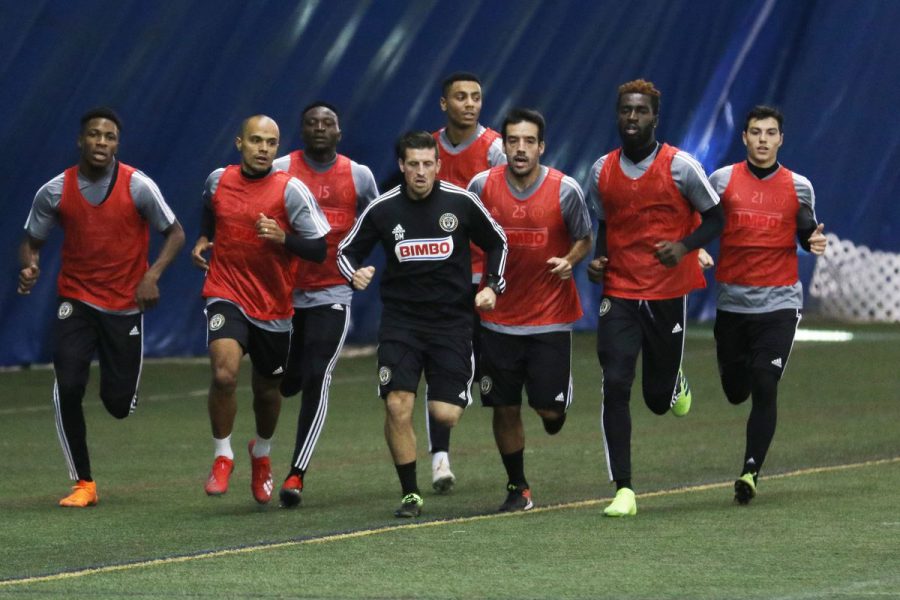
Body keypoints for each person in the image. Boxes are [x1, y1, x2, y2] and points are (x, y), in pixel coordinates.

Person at [17, 107, 185, 507]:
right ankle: (84, 483)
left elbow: (175, 233)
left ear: (117, 145)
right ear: (81, 140)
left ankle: (125, 392)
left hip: (125, 306)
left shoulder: (138, 186)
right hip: (75, 300)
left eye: (109, 137)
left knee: (117, 405)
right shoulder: (55, 190)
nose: (102, 143)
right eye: (95, 135)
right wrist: (30, 264)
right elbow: (31, 239)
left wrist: (152, 275)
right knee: (68, 383)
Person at [336, 131, 507, 518]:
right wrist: (353, 275)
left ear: (438, 166)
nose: (420, 172)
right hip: (401, 323)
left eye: (427, 164)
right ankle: (410, 493)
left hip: (452, 322)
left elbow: (498, 241)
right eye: (413, 164)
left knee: (445, 414)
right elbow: (346, 251)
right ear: (401, 166)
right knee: (397, 405)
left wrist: (492, 285)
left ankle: (445, 395)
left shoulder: (460, 203)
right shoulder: (383, 208)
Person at [585, 79, 724, 517]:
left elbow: (719, 216)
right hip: (620, 291)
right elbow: (607, 221)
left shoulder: (681, 167)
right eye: (626, 109)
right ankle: (624, 488)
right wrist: (600, 259)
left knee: (657, 399)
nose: (632, 117)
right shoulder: (600, 170)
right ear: (617, 114)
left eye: (641, 111)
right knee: (616, 381)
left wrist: (684, 247)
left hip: (667, 291)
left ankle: (673, 382)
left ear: (654, 118)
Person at [191, 115, 330, 505]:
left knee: (268, 392)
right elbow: (209, 207)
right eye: (256, 140)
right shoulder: (219, 179)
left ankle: (262, 453)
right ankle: (223, 455)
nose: (264, 148)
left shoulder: (291, 191)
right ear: (239, 143)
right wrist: (204, 237)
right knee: (224, 373)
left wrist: (284, 237)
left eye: (271, 142)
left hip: (272, 306)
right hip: (225, 290)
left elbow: (319, 249)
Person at [468, 108, 592, 511]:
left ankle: (555, 408)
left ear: (542, 146)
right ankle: (517, 487)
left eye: (528, 142)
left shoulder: (565, 189)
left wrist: (570, 260)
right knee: (503, 407)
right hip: (496, 319)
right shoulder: (482, 186)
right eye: (513, 141)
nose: (520, 149)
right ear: (503, 145)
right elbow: (466, 238)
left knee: (548, 410)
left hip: (549, 319)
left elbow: (584, 238)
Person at [709, 105, 827, 505]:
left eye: (770, 132)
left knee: (764, 381)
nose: (762, 139)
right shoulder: (721, 180)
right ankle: (735, 378)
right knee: (735, 390)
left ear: (781, 139)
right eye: (755, 132)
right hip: (732, 303)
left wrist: (813, 240)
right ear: (744, 137)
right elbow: (699, 224)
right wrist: (693, 253)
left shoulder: (799, 186)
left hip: (780, 302)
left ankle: (750, 471)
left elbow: (806, 227)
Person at [270, 101, 379, 508]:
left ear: (339, 132)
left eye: (328, 122)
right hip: (281, 293)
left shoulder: (358, 175)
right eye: (312, 122)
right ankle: (261, 445)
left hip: (332, 291)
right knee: (284, 379)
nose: (319, 128)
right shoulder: (280, 169)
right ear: (302, 130)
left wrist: (359, 265)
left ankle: (296, 473)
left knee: (319, 373)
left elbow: (379, 219)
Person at [426, 71, 507, 493]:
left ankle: (514, 464)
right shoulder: (427, 150)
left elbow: (508, 206)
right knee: (440, 361)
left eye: (476, 96)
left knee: (494, 371)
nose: (470, 103)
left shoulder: (496, 149)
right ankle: (439, 459)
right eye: (460, 97)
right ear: (444, 103)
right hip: (441, 278)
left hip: (486, 277)